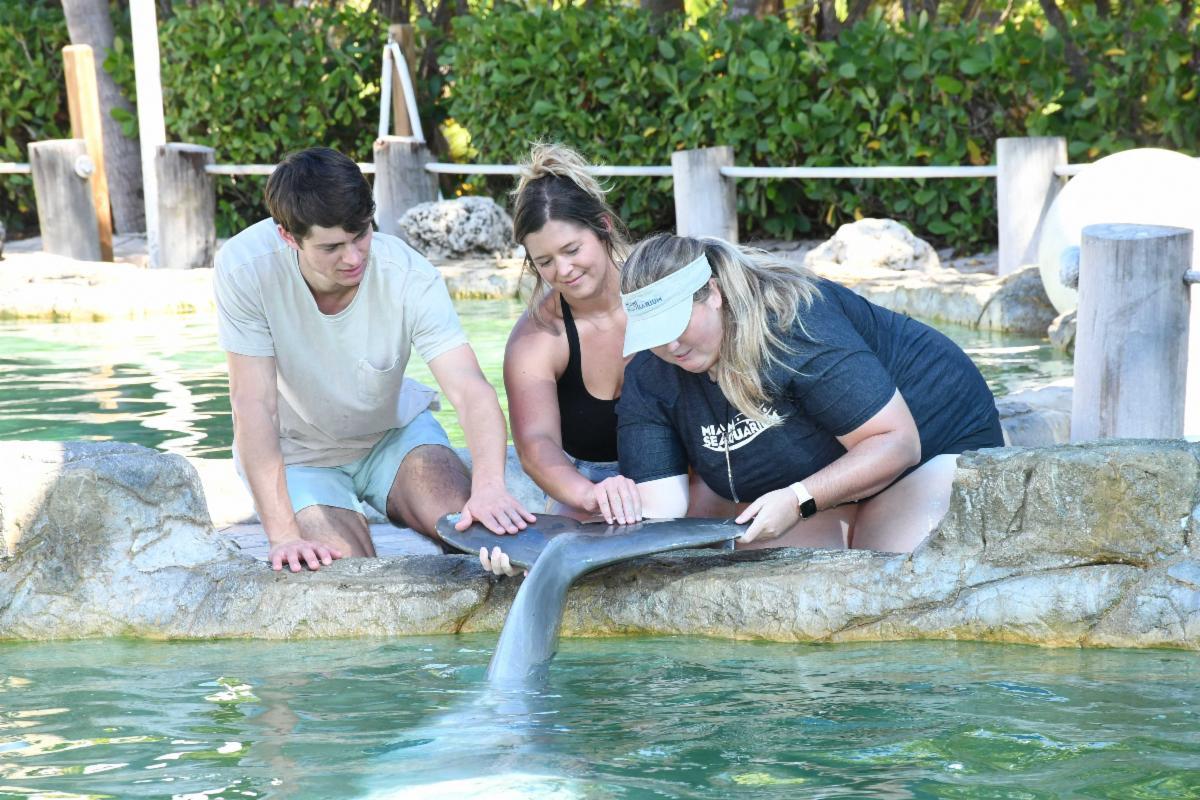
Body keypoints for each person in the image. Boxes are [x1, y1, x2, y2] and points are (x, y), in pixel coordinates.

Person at [214, 146, 534, 573]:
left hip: (392, 436)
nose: (353, 257)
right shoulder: (244, 269)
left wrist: (490, 487)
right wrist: (283, 535)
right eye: (332, 247)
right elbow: (253, 405)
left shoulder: (409, 274)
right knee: (344, 573)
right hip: (299, 456)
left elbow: (469, 387)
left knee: (478, 537)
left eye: (361, 234)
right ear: (288, 236)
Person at [616, 233, 1003, 553]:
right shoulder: (649, 375)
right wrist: (616, 499)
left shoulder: (792, 320)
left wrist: (799, 498)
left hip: (930, 445)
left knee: (881, 575)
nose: (670, 346)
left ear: (713, 293)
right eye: (653, 334)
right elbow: (661, 512)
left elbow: (897, 443)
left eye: (676, 323)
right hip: (823, 475)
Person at [500, 144, 643, 527]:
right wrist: (591, 496)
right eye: (545, 262)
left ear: (604, 227)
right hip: (584, 486)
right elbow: (535, 446)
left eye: (572, 250)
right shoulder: (537, 337)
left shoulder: (656, 291)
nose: (563, 270)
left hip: (684, 475)